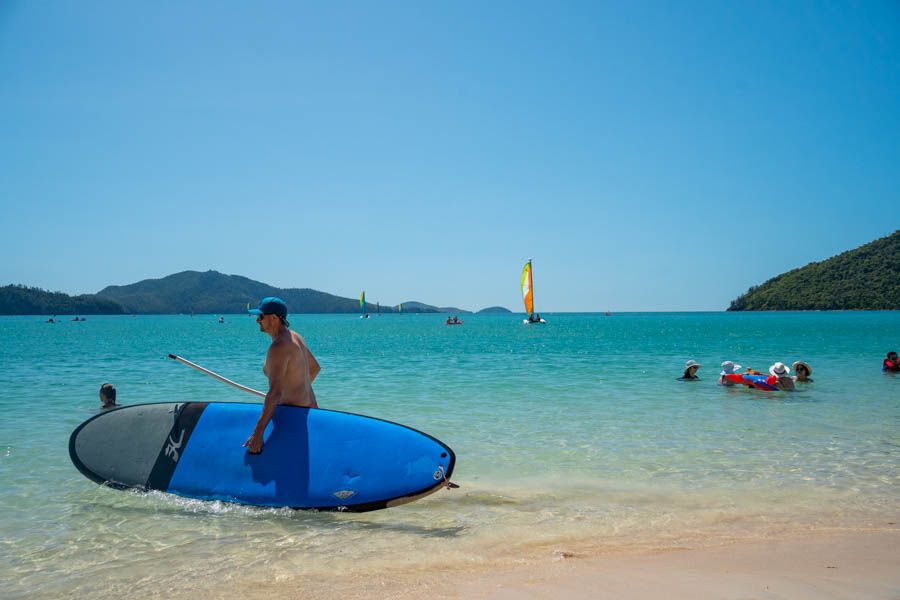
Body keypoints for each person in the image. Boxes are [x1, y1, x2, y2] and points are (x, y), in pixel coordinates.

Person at [244, 297, 320, 454]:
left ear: (273, 318)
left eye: (261, 316)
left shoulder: (278, 347)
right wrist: (299, 389)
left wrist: (257, 433)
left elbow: (274, 393)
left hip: (292, 416)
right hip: (309, 409)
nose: (258, 320)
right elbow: (314, 368)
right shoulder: (296, 337)